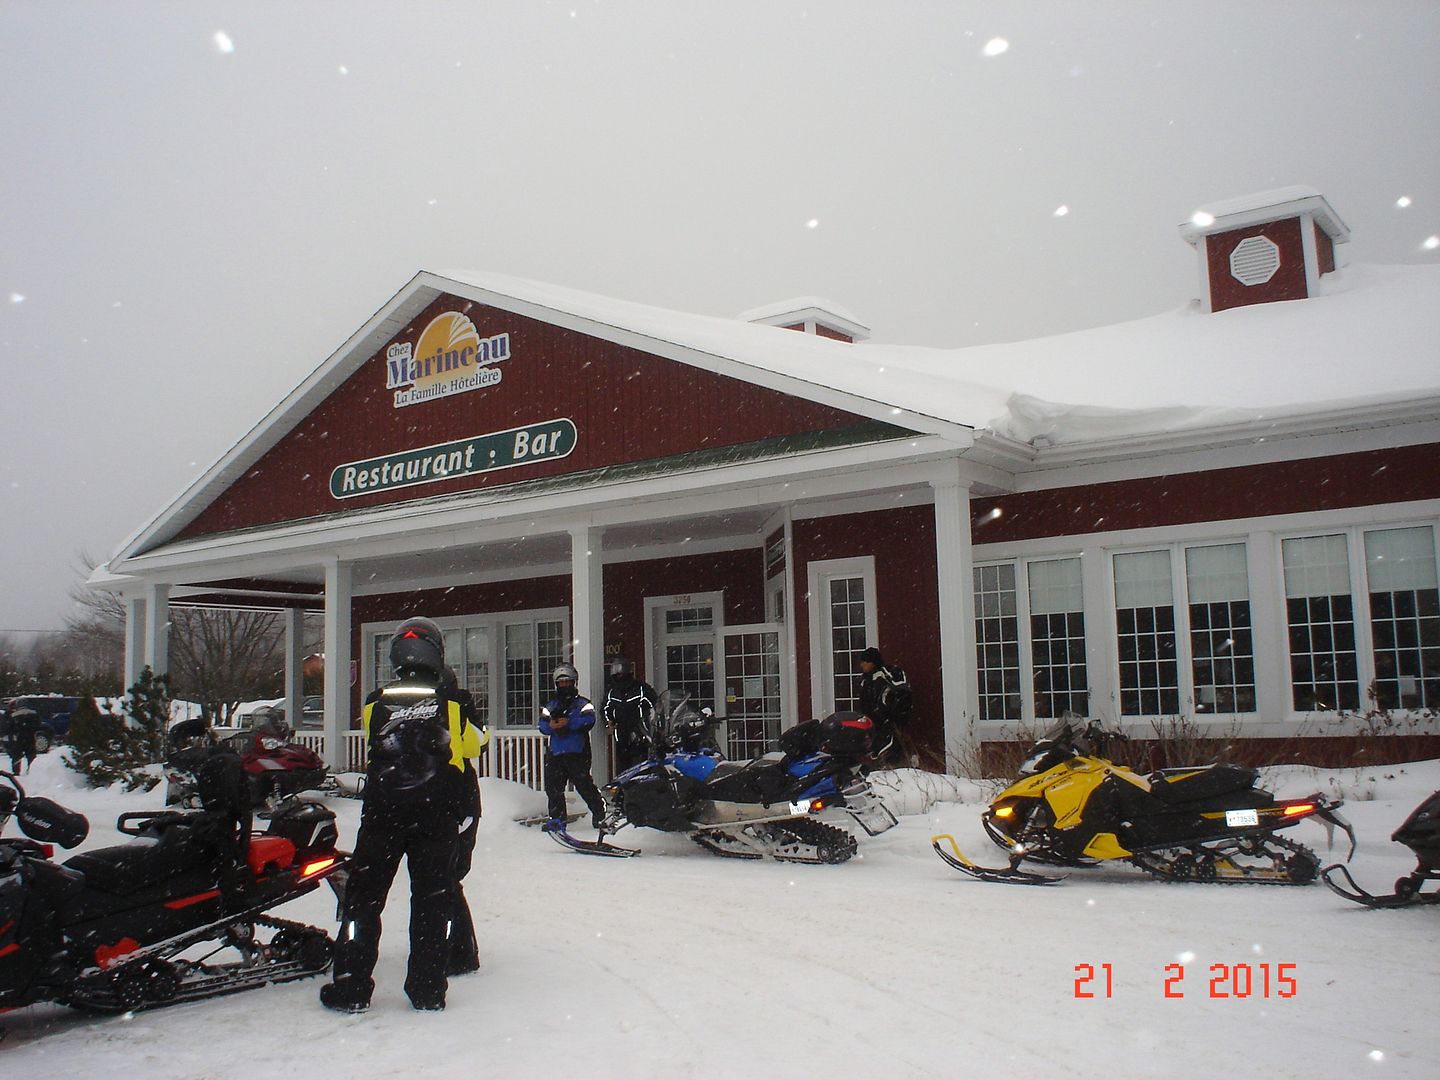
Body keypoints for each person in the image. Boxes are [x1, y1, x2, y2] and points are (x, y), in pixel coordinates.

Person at [321, 617, 485, 1014]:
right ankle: (428, 990)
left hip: (383, 815)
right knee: (431, 903)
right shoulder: (456, 703)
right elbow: (475, 746)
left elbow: (372, 742)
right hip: (436, 816)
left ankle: (352, 986)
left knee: (364, 903)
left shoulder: (375, 702)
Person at [438, 664, 486, 978]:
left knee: (449, 878)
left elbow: (477, 743)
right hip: (441, 804)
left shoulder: (459, 706)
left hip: (459, 804)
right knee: (443, 879)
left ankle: (462, 950)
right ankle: (450, 945)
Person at [538, 664, 607, 831]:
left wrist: (569, 723)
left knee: (584, 786)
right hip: (556, 752)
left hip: (577, 752)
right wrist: (552, 726)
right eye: (561, 683)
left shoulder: (583, 703)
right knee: (553, 789)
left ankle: (600, 814)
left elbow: (589, 720)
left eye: (567, 682)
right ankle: (557, 820)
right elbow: (542, 725)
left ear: (574, 682)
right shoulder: (551, 705)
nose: (564, 686)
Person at [857, 647, 913, 766]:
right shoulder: (866, 679)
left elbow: (889, 699)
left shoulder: (883, 677)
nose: (862, 665)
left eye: (864, 661)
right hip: (872, 724)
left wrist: (886, 716)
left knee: (889, 752)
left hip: (887, 724)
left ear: (872, 662)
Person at [602, 657, 658, 772]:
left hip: (640, 729)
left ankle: (643, 783)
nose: (619, 677)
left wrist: (655, 723)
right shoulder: (612, 692)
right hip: (621, 731)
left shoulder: (641, 688)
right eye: (617, 674)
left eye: (622, 674)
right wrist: (609, 722)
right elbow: (605, 708)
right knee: (623, 765)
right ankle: (624, 787)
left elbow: (655, 705)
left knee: (641, 762)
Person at [5, 705, 40, 773]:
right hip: (30, 737)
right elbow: (38, 725)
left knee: (17, 755)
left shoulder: (14, 715)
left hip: (19, 738)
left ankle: (16, 771)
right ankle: (32, 769)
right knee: (31, 755)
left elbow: (10, 728)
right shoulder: (34, 714)